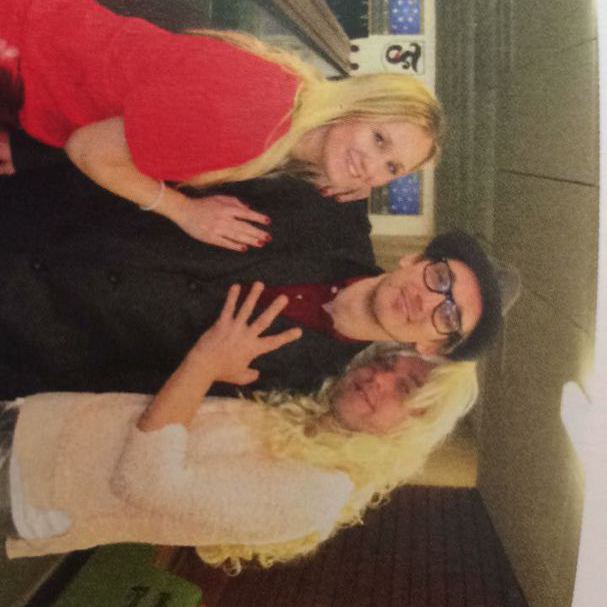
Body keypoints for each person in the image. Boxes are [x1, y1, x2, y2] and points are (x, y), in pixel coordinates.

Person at [1, 284, 478, 570]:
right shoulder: (310, 416)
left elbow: (145, 481)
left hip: (30, 487)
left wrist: (205, 362)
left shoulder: (320, 494)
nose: (379, 379)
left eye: (405, 389)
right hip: (35, 430)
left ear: (413, 430)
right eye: (387, 363)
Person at [0, 163, 505, 400]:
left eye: (448, 316)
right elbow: (191, 160)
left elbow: (139, 395)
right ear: (415, 259)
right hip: (39, 218)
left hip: (30, 342)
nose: (426, 300)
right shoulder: (333, 209)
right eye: (441, 278)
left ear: (431, 346)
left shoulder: (305, 388)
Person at [0, 0, 443, 250]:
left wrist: (353, 166)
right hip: (18, 51)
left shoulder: (287, 103)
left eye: (392, 168)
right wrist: (184, 211)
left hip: (32, 53)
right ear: (352, 105)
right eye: (379, 138)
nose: (372, 167)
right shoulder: (253, 120)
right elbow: (90, 150)